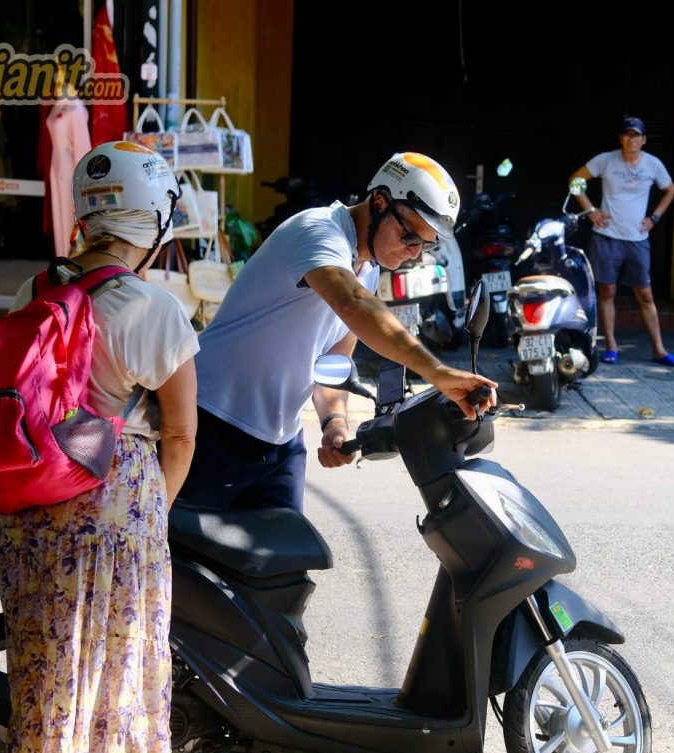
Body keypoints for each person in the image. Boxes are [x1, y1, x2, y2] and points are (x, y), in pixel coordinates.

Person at [0, 141, 199, 753]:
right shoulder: (153, 308)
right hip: (113, 516)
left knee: (47, 682)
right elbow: (181, 434)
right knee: (118, 687)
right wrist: (147, 518)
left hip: (28, 510)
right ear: (156, 219)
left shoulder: (38, 286)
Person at [177, 152, 496, 511]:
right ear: (379, 202)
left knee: (288, 563)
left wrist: (335, 421)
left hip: (281, 441)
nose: (414, 253)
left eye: (426, 243)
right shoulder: (318, 232)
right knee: (188, 562)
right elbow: (354, 304)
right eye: (409, 236)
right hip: (213, 422)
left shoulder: (368, 268)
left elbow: (333, 360)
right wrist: (438, 373)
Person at [569, 116, 674, 367]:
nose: (632, 139)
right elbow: (575, 181)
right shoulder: (606, 160)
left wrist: (654, 218)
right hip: (607, 237)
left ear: (643, 140)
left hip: (637, 238)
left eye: (636, 135)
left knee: (645, 294)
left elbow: (670, 190)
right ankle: (611, 346)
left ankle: (659, 350)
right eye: (627, 134)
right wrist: (591, 211)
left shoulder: (653, 164)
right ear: (621, 138)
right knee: (607, 291)